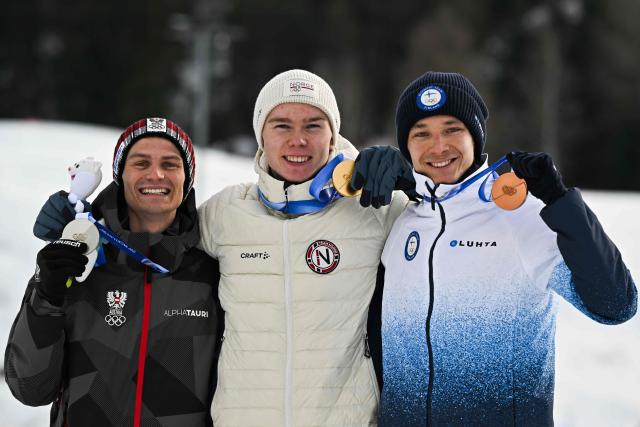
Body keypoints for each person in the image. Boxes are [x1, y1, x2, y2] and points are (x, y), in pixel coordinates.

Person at [359, 71, 637, 426]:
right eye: (421, 134)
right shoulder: (403, 220)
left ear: (475, 135)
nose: (438, 146)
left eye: (452, 129)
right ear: (406, 146)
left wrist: (560, 202)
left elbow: (616, 305)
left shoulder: (521, 215)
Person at [197, 69, 407, 426]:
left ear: (332, 136)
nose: (298, 140)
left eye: (313, 125)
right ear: (261, 134)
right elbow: (152, 243)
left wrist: (414, 180)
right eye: (281, 125)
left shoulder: (375, 208)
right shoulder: (224, 213)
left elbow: (452, 225)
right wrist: (79, 227)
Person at [4, 118, 223, 426]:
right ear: (120, 174)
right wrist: (46, 296)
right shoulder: (78, 258)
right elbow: (30, 388)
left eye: (171, 164)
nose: (156, 174)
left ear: (187, 178)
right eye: (141, 162)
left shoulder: (212, 271)